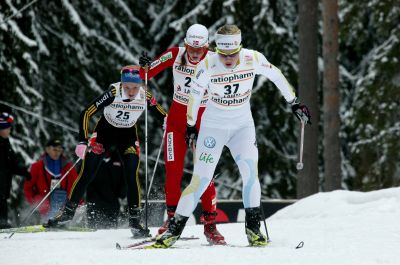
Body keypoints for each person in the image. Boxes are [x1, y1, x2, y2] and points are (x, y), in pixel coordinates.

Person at [151, 24, 311, 248]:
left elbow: (276, 75)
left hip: (242, 127)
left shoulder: (252, 58)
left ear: (240, 48)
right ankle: (173, 230)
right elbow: (194, 96)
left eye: (232, 53)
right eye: (223, 53)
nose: (227, 59)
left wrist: (294, 103)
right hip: (213, 127)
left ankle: (253, 230)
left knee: (250, 174)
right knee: (201, 179)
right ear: (216, 49)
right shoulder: (207, 63)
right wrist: (189, 125)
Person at [45, 65, 167, 238]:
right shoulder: (113, 92)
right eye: (127, 88)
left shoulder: (144, 96)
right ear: (122, 84)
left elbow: (163, 114)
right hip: (105, 132)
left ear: (141, 85)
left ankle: (135, 221)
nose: (131, 92)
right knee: (87, 173)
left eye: (135, 87)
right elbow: (86, 112)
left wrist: (168, 122)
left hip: (127, 134)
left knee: (131, 173)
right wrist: (82, 140)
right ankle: (67, 214)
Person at [139, 24, 225, 244]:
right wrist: (145, 66)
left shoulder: (216, 59)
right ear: (186, 44)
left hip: (204, 123)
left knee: (205, 174)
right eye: (191, 48)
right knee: (173, 171)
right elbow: (145, 74)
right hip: (177, 122)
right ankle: (171, 220)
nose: (195, 53)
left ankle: (210, 225)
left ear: (207, 46)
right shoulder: (175, 54)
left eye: (200, 49)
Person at [24, 138, 79, 222]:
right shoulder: (37, 167)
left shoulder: (69, 167)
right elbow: (28, 187)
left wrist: (78, 204)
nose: (57, 152)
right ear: (47, 149)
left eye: (60, 149)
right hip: (44, 209)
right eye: (54, 149)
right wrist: (36, 201)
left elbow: (76, 186)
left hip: (65, 207)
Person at [0, 112, 30, 228]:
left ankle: (2, 223)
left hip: (3, 185)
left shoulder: (5, 143)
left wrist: (24, 172)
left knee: (2, 202)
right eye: (7, 128)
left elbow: (11, 163)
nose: (9, 130)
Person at [86, 149, 126, 229]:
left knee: (111, 231)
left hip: (112, 201)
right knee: (93, 230)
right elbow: (83, 178)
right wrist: (89, 195)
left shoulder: (119, 159)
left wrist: (122, 194)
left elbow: (125, 179)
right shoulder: (91, 157)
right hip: (94, 201)